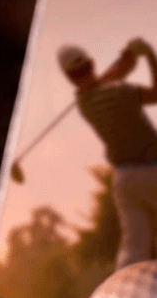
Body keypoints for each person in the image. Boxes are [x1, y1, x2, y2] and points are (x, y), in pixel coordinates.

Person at [58, 38, 157, 269]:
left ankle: (121, 294)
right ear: (92, 63)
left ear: (69, 77)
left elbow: (106, 80)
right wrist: (149, 54)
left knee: (134, 247)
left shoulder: (84, 102)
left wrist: (127, 59)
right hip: (153, 170)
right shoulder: (119, 91)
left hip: (124, 180)